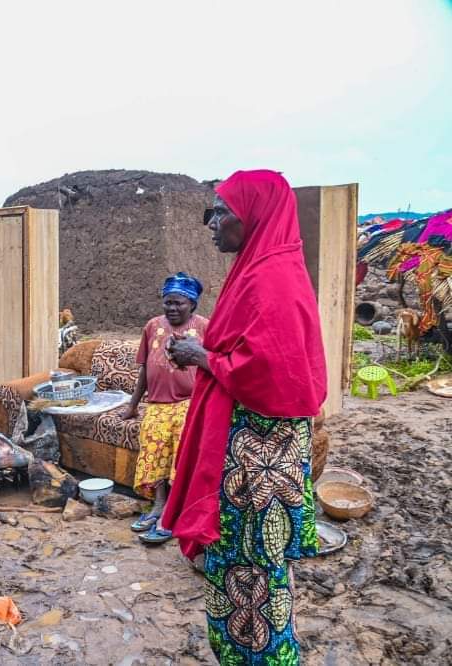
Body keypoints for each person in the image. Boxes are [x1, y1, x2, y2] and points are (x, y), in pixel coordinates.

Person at [164, 170, 326, 666]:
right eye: (210, 212)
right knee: (245, 571)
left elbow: (275, 372)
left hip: (254, 462)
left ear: (252, 214)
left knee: (251, 571)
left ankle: (261, 658)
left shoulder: (270, 278)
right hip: (249, 452)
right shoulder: (258, 267)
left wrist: (201, 357)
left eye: (221, 211)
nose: (212, 222)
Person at [122, 273, 209, 545]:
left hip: (190, 403)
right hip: (158, 403)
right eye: (168, 302)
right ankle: (159, 506)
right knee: (154, 448)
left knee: (180, 451)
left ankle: (173, 515)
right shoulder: (152, 327)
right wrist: (133, 405)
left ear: (192, 304)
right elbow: (145, 370)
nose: (172, 308)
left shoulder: (205, 327)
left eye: (179, 303)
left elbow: (214, 364)